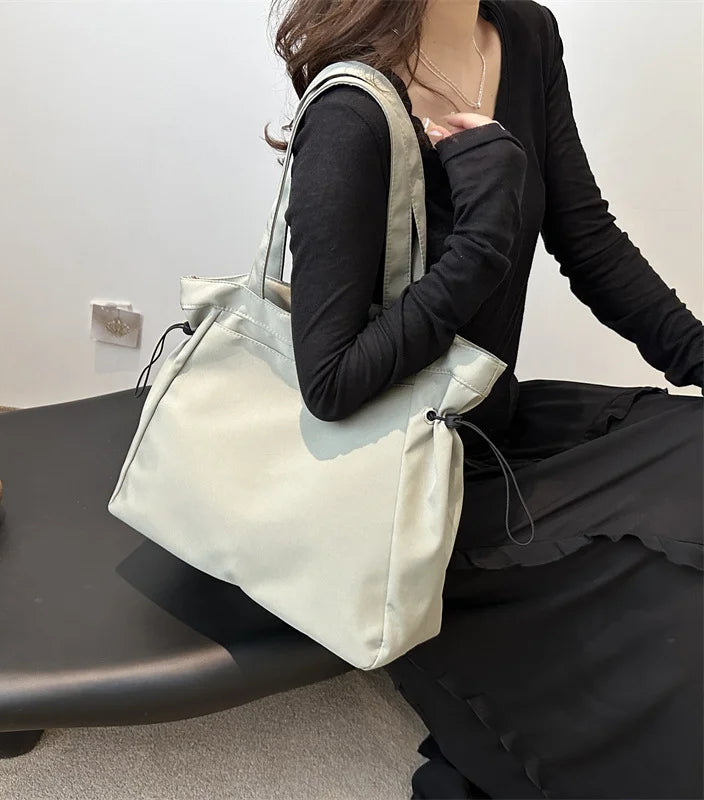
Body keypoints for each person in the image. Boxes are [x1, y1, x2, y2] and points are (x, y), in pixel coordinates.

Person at [264, 0, 704, 797]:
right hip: (402, 488)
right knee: (666, 629)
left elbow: (589, 239)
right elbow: (331, 384)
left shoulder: (527, 34)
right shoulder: (353, 109)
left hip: (496, 427)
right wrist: (482, 237)